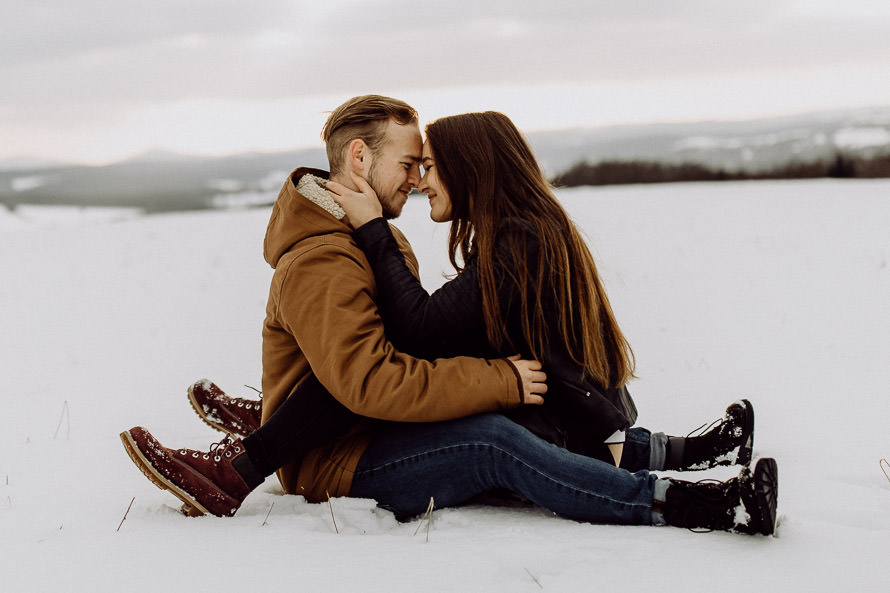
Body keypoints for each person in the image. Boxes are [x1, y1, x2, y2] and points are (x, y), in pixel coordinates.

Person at [121, 97, 778, 535]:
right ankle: (697, 502)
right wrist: (501, 380)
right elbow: (378, 374)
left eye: (427, 166)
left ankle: (254, 441)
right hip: (343, 458)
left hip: (367, 431)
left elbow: (405, 345)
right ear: (359, 159)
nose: (416, 178)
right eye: (410, 163)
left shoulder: (383, 238)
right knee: (497, 437)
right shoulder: (328, 256)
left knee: (524, 424)